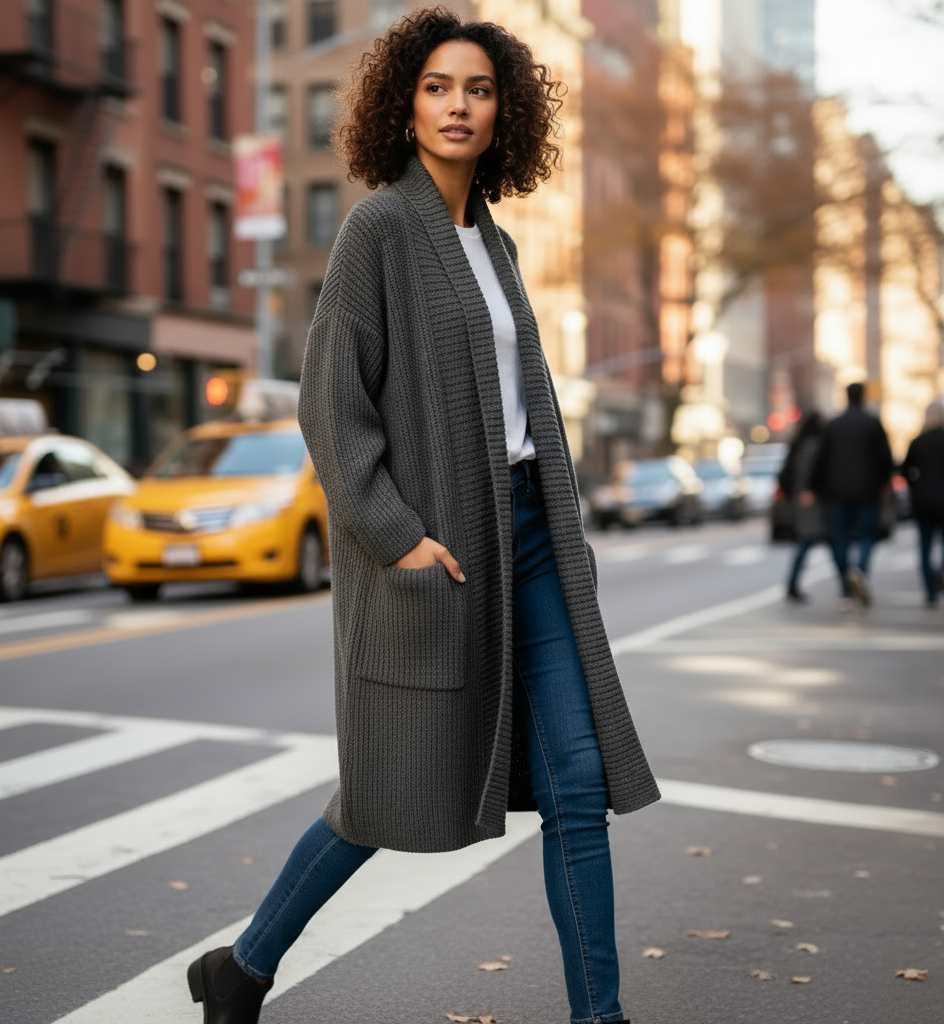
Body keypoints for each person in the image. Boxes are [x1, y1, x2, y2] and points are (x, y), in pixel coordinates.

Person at [185, 9, 658, 1024]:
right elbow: (330, 403)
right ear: (405, 105)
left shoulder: (496, 243)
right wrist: (396, 534)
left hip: (532, 540)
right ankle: (243, 966)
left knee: (577, 783)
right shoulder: (378, 230)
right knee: (390, 787)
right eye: (438, 86)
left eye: (478, 90)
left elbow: (521, 404)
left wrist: (558, 528)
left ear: (503, 114)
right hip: (436, 546)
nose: (458, 105)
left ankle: (600, 1015)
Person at [803, 382, 894, 606]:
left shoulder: (834, 426)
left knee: (841, 537)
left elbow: (820, 460)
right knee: (867, 536)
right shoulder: (872, 423)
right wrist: (885, 482)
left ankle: (846, 583)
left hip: (838, 491)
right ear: (863, 397)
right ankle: (859, 572)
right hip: (867, 490)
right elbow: (885, 458)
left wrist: (813, 487)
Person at [778, 411, 825, 602]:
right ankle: (847, 588)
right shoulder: (816, 446)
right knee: (821, 543)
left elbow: (784, 477)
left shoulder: (797, 445)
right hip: (816, 505)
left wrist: (793, 496)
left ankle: (792, 585)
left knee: (804, 544)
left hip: (801, 504)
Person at [901, 399, 944, 607]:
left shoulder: (918, 441)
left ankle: (930, 591)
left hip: (923, 500)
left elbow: (904, 470)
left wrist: (916, 486)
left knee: (925, 547)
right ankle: (940, 576)